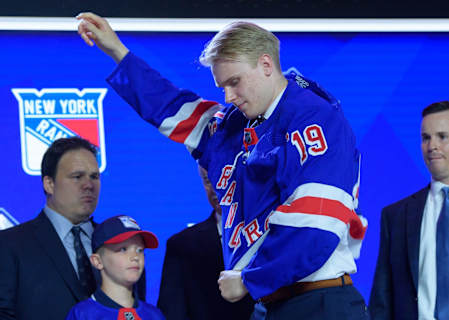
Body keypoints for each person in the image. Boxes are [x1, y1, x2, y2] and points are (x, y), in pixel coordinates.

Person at [77, 12, 369, 319]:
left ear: (266, 65)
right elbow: (172, 106)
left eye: (234, 82)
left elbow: (315, 225)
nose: (228, 96)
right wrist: (117, 51)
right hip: (272, 304)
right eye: (222, 86)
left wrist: (248, 279)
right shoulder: (235, 125)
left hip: (319, 302)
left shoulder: (315, 120)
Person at [369, 101, 449, 319]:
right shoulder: (396, 216)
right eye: (426, 138)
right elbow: (382, 299)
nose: (432, 146)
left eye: (442, 136)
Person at [0, 137, 101, 320]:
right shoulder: (8, 245)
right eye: (77, 177)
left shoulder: (120, 243)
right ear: (49, 184)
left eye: (94, 176)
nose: (89, 185)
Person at [157, 165, 254, 319]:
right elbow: (173, 312)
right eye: (208, 181)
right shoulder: (181, 246)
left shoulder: (275, 233)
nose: (215, 187)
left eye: (222, 178)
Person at [65, 215, 164, 319]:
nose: (135, 257)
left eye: (139, 250)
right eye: (123, 249)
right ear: (97, 261)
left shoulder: (154, 315)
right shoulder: (83, 314)